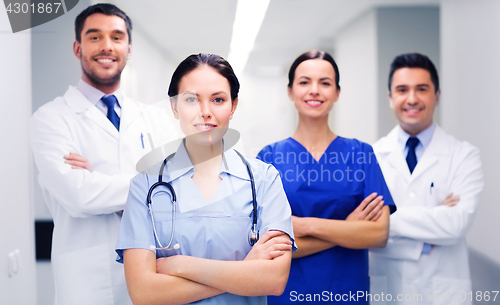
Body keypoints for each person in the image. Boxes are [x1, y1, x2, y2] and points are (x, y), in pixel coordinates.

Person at [115, 53, 295, 305]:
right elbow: (144, 293)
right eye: (191, 99)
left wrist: (180, 264)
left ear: (233, 106)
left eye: (218, 99)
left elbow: (274, 280)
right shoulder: (145, 185)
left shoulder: (264, 179)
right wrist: (244, 270)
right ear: (175, 107)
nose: (205, 112)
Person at [30, 4, 177, 304]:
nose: (107, 46)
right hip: (86, 283)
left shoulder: (155, 119)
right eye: (94, 37)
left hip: (153, 271)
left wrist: (96, 179)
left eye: (117, 37)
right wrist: (150, 185)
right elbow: (78, 196)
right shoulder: (50, 118)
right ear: (77, 47)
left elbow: (177, 194)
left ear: (129, 48)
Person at [257, 50, 396, 304]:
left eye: (325, 83)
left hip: (346, 293)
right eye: (304, 82)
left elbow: (379, 234)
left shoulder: (361, 154)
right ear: (290, 91)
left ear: (337, 93)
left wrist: (303, 225)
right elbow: (268, 247)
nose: (314, 90)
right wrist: (349, 228)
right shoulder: (269, 158)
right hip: (289, 294)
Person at [369, 53, 484, 305]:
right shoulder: (371, 156)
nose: (412, 99)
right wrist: (434, 217)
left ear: (437, 95)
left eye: (422, 89)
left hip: (443, 292)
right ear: (390, 97)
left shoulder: (464, 155)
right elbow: (362, 230)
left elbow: (457, 224)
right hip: (388, 289)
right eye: (402, 90)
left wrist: (383, 220)